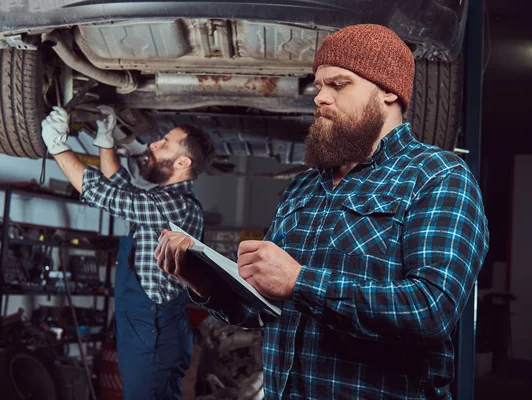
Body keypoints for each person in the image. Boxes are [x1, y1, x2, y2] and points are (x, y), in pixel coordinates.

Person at [155, 24, 489, 399]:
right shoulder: (303, 188)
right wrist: (203, 280)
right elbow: (264, 311)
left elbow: (430, 310)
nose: (320, 98)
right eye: (319, 86)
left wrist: (300, 281)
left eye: (339, 84)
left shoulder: (436, 176)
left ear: (389, 91)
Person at [41, 105, 215, 399]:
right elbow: (121, 189)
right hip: (147, 326)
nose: (153, 145)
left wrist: (58, 147)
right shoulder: (165, 199)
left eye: (164, 144)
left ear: (182, 162)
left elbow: (104, 195)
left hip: (153, 328)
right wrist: (106, 140)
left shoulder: (177, 206)